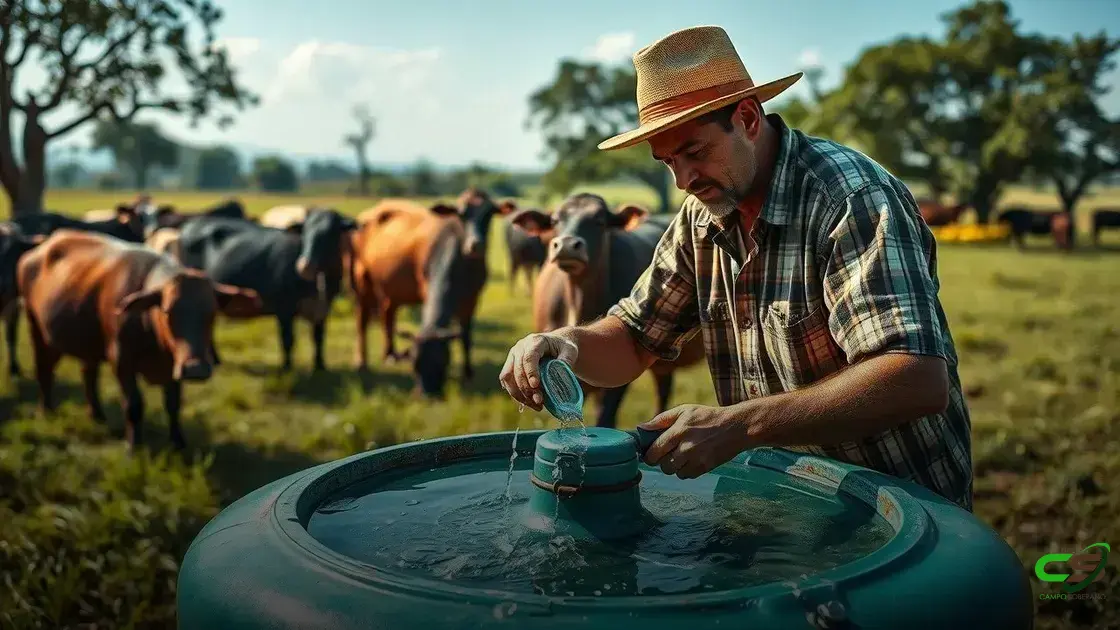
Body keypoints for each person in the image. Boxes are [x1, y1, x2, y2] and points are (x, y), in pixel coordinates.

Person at [498, 25, 973, 511]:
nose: (683, 180)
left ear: (747, 118)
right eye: (667, 162)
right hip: (775, 496)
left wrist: (742, 424)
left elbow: (916, 379)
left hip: (892, 504)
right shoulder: (702, 214)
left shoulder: (851, 200)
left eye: (695, 153)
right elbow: (637, 337)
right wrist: (567, 344)